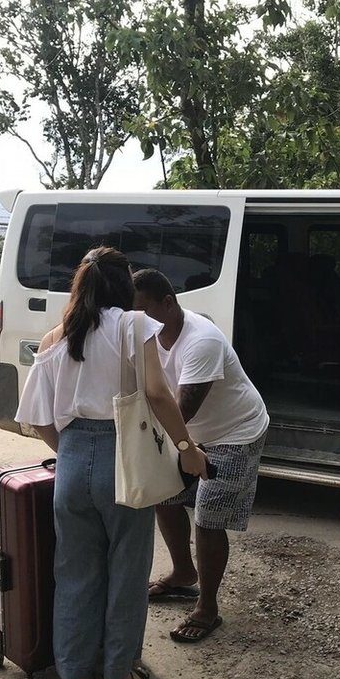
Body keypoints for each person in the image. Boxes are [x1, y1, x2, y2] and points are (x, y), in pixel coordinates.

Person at [15, 247, 207, 679]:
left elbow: (38, 418)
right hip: (124, 458)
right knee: (126, 569)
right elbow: (159, 395)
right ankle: (118, 674)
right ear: (124, 283)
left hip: (73, 458)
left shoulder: (55, 338)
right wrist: (188, 450)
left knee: (74, 571)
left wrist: (72, 453)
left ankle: (73, 676)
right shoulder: (133, 325)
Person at [133, 269, 269, 643]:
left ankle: (207, 608)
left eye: (145, 312)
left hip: (235, 433)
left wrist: (155, 442)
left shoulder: (201, 340)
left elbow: (182, 410)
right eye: (133, 314)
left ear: (169, 303)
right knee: (164, 496)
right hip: (189, 433)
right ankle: (182, 574)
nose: (138, 321)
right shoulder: (144, 334)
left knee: (208, 518)